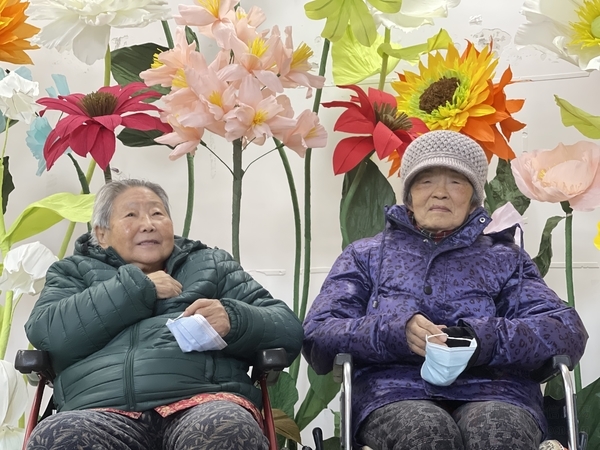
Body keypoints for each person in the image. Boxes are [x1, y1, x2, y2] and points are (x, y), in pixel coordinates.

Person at [302, 130, 588, 450]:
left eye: (456, 181)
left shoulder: (505, 258)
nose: (440, 193)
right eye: (425, 181)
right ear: (408, 194)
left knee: (497, 434)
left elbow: (565, 330)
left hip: (497, 392)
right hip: (395, 392)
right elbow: (319, 334)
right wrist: (396, 331)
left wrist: (480, 339)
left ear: (474, 197)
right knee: (427, 434)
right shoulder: (366, 255)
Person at [24, 179, 304, 450]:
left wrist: (234, 319)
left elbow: (288, 330)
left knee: (226, 428)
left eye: (158, 213)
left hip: (202, 403)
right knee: (60, 437)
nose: (148, 225)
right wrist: (136, 288)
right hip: (96, 411)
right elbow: (47, 333)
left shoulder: (211, 265)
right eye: (131, 215)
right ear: (102, 234)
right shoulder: (73, 272)